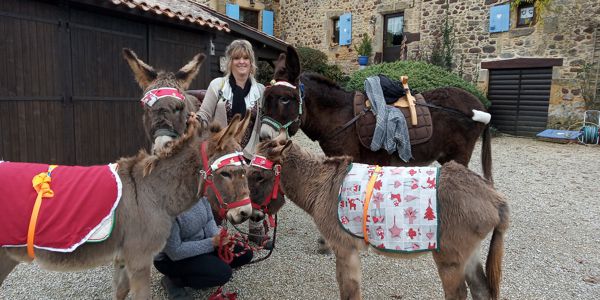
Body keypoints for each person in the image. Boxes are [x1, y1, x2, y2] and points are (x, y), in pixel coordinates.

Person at [196, 39, 271, 246]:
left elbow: (266, 120)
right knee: (225, 188)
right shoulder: (217, 86)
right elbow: (204, 114)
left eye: (245, 58)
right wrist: (196, 121)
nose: (241, 62)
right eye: (237, 58)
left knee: (255, 182)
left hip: (250, 150)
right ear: (230, 61)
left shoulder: (261, 91)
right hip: (224, 152)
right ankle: (222, 232)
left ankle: (256, 230)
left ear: (251, 62)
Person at [154, 197, 253, 300]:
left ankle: (205, 270)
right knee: (223, 273)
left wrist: (218, 237)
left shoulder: (199, 196)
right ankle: (173, 281)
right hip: (170, 259)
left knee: (246, 253)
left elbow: (209, 220)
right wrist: (212, 243)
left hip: (201, 245)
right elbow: (175, 252)